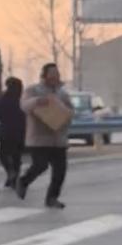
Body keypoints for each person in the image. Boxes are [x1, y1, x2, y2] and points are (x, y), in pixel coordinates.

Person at [15, 64, 74, 209]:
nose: (55, 76)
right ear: (44, 75)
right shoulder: (33, 90)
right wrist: (37, 101)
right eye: (51, 73)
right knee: (40, 165)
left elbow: (70, 111)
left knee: (60, 171)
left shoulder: (62, 94)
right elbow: (24, 105)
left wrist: (66, 114)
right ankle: (23, 181)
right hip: (39, 138)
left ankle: (52, 198)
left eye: (56, 73)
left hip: (58, 138)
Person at [0, 76, 25, 188]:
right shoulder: (22, 100)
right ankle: (14, 178)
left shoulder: (4, 99)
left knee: (3, 154)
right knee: (17, 156)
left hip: (6, 131)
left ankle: (10, 173)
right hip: (20, 131)